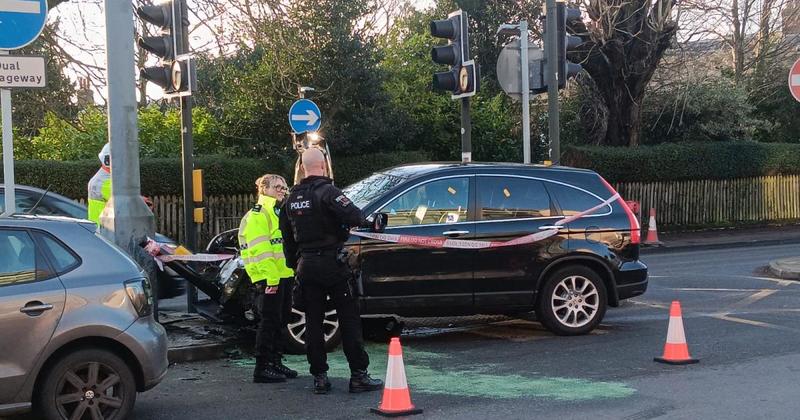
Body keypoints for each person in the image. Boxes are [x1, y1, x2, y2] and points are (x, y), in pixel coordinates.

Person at [279, 147, 383, 395]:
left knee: (313, 322)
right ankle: (358, 375)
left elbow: (287, 239)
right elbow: (356, 216)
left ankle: (320, 379)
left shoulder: (291, 200)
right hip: (333, 265)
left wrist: (296, 265)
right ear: (323, 165)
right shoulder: (329, 192)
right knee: (348, 320)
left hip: (307, 266)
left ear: (303, 167)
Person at [238, 174, 298, 383]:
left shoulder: (279, 212)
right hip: (270, 278)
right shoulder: (259, 214)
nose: (283, 190)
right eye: (277, 187)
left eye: (284, 187)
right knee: (269, 321)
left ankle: (276, 362)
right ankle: (262, 367)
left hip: (284, 275)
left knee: (281, 321)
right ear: (264, 189)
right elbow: (260, 251)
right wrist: (270, 279)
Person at [87, 143, 112, 225]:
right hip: (106, 230)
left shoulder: (99, 179)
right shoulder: (106, 182)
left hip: (98, 230)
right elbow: (124, 202)